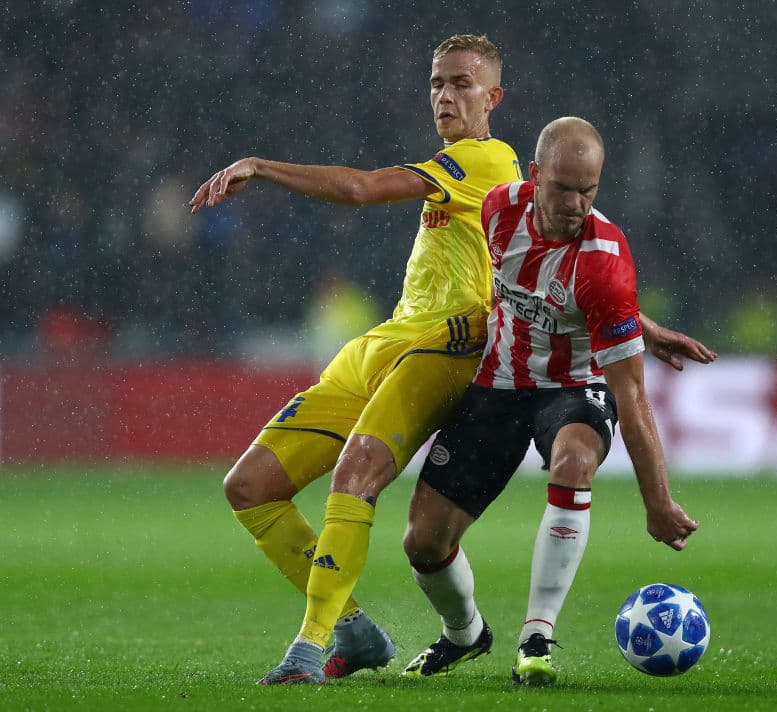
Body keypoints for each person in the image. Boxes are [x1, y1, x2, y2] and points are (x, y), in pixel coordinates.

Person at [190, 36, 713, 686]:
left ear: (494, 98)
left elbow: (359, 189)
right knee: (251, 489)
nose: (446, 95)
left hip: (448, 349)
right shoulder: (501, 198)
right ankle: (358, 626)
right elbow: (531, 273)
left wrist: (261, 166)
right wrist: (650, 327)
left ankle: (313, 646)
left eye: (463, 84)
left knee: (358, 473)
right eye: (438, 82)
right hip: (386, 345)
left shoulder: (488, 159)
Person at [399, 117, 703, 686]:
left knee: (572, 463)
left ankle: (536, 637)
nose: (576, 203)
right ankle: (465, 634)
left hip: (573, 386)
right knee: (423, 543)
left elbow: (632, 395)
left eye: (589, 190)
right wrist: (649, 327)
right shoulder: (495, 209)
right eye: (563, 188)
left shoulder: (604, 259)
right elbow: (540, 290)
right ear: (535, 176)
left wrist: (657, 502)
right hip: (500, 382)